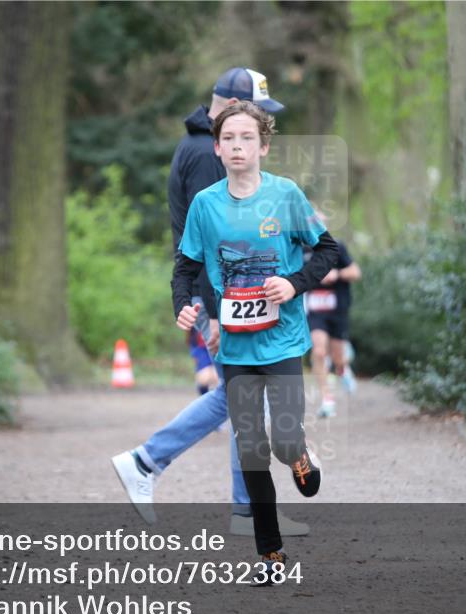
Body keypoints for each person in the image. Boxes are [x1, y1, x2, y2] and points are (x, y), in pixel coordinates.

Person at [111, 68, 308, 537]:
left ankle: (240, 507)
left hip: (219, 296)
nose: (257, 122)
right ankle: (149, 462)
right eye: (255, 111)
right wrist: (216, 314)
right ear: (232, 107)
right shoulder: (206, 153)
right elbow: (213, 243)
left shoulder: (202, 144)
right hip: (217, 297)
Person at [172, 100, 339, 582]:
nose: (237, 146)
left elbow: (327, 250)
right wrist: (183, 305)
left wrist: (293, 283)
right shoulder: (205, 205)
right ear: (217, 148)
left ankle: (299, 454)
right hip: (236, 348)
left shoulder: (285, 195)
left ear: (263, 146)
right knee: (250, 449)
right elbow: (185, 267)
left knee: (283, 438)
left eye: (247, 138)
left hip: (282, 340)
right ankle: (271, 556)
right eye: (228, 139)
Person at [305, 237, 361, 417]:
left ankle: (342, 368)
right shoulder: (301, 250)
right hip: (315, 312)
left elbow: (355, 272)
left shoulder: (337, 247)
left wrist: (336, 274)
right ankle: (327, 399)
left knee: (338, 358)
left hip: (337, 311)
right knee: (319, 351)